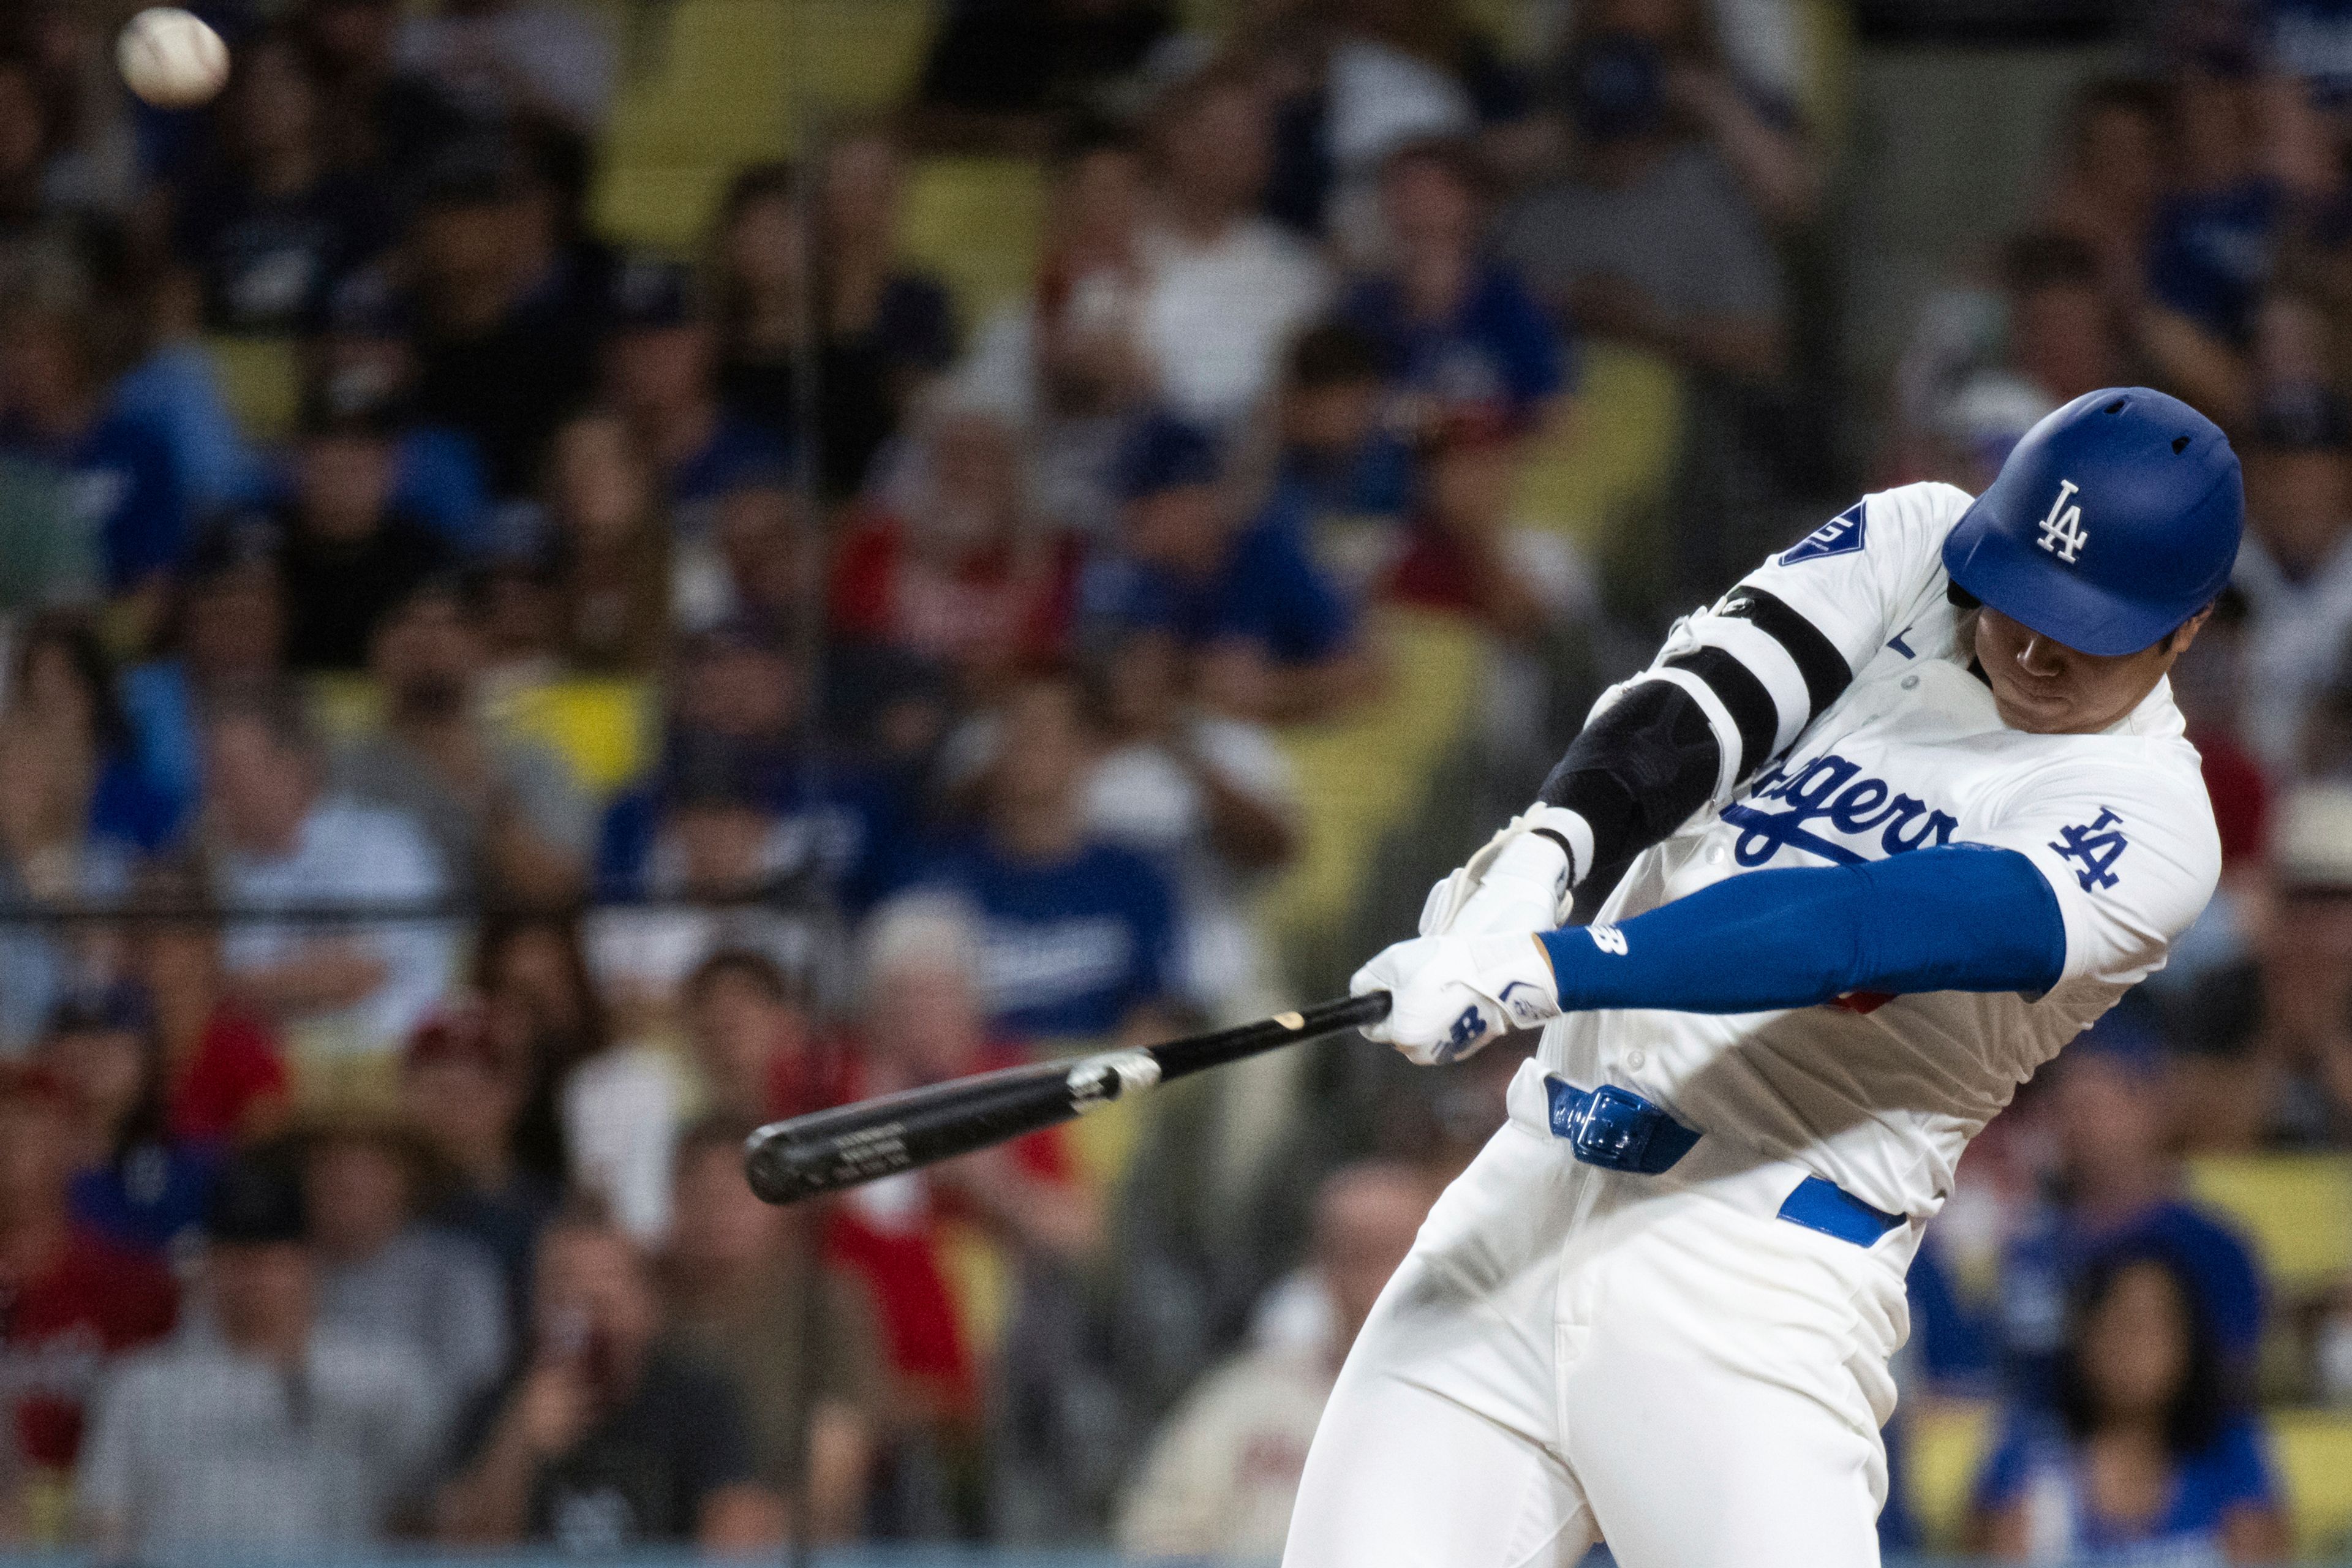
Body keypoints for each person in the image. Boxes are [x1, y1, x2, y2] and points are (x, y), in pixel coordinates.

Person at [1287, 386, 2243, 1567]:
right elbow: (1708, 699)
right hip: (1521, 1205)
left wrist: (1549, 968)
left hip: (1748, 1280)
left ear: (2186, 627)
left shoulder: (2154, 824)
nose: (2037, 646)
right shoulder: (1917, 542)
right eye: (2021, 599)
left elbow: (1853, 924)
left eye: (2088, 627)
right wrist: (1542, 859)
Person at [78, 1155, 446, 1555]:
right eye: (237, 1259)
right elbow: (106, 1525)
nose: (254, 1279)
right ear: (211, 1264)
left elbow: (422, 1519)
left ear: (307, 1262)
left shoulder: (386, 1375)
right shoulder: (142, 1385)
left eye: (271, 1260)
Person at [1115, 1161, 1439, 1559]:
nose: (1376, 1281)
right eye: (1355, 1254)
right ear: (1320, 1263)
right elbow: (1154, 1537)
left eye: (1393, 1254)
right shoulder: (1245, 1396)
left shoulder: (1477, 1403)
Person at [437, 1202, 780, 1551]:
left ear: (648, 1305)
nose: (586, 1301)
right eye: (563, 1281)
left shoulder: (697, 1398)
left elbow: (740, 1536)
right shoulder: (496, 1400)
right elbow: (461, 1548)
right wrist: (519, 1447)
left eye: (608, 1281)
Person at [904, 673, 1180, 1041]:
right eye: (1017, 728)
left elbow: (1154, 1018)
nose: (1030, 743)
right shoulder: (938, 877)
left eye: (1048, 729)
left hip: (1098, 1084)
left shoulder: (1135, 879)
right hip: (978, 1084)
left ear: (1086, 751)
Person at [1967, 1248, 2289, 1562]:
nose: (2133, 1344)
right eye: (2119, 1322)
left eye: (2153, 1326)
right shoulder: (2027, 1450)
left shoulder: (2232, 1454)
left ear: (2190, 1345)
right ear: (2084, 1338)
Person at [200, 690, 456, 1071]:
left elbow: (363, 970)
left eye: (231, 769)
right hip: (269, 1080)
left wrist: (245, 985)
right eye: (211, 771)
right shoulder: (221, 871)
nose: (217, 788)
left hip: (394, 1065)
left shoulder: (383, 841)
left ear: (294, 766)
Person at [660, 1118, 888, 1539]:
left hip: (787, 1543)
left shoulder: (825, 1303)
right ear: (673, 1199)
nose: (716, 1214)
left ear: (777, 1201)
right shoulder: (644, 1295)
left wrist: (763, 1529)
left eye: (733, 1196)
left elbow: (839, 1456)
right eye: (700, 1195)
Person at [1084, 411, 1371, 725]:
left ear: (1196, 496)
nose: (1131, 521)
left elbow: (1365, 673)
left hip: (1316, 749)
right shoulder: (1144, 579)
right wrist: (1181, 677)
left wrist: (1277, 689)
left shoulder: (1270, 553)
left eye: (1148, 504)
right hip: (1212, 752)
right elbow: (1142, 682)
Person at [334, 576, 595, 903]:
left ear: (481, 649)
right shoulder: (339, 770)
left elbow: (555, 891)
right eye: (410, 624)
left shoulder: (532, 765)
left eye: (451, 625)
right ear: (379, 648)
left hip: (495, 947)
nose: (431, 641)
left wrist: (480, 788)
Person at [0, 1064, 176, 1541]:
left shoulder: (137, 1284)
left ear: (72, 1143)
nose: (9, 1145)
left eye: (27, 1127)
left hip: (105, 1522)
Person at [172, 28, 393, 334]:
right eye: (249, 85)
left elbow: (373, 310)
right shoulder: (207, 206)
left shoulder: (361, 205)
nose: (262, 98)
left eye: (281, 81)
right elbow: (179, 314)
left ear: (318, 95)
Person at [298, 1106, 510, 1415]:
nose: (343, 1179)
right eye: (326, 1163)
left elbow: (476, 1395)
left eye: (365, 1164)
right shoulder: (274, 1275)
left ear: (406, 1177)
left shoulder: (457, 1274)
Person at [268, 386, 458, 672]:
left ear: (397, 463)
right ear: (293, 459)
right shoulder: (258, 549)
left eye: (364, 443)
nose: (345, 458)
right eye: (329, 441)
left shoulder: (431, 559)